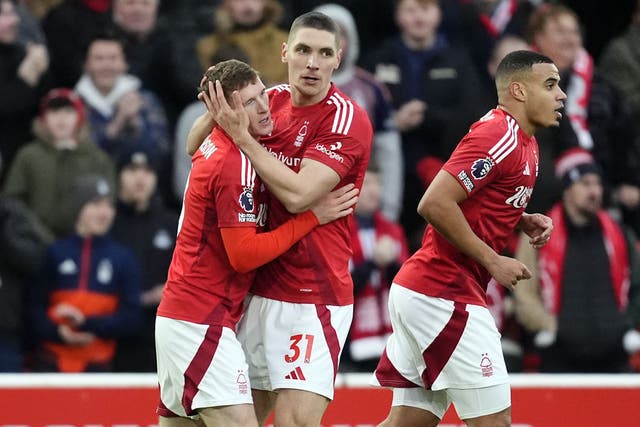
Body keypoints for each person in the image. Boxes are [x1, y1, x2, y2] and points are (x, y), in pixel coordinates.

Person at [156, 59, 360, 427]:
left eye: (262, 93)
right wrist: (313, 217)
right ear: (229, 111)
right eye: (248, 103)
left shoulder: (214, 144)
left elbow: (191, 144)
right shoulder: (236, 164)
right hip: (202, 320)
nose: (265, 107)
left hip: (189, 315)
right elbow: (244, 256)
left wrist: (219, 115)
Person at [193, 11, 372, 427]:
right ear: (285, 51)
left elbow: (298, 195)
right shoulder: (265, 100)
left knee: (294, 424)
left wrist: (242, 139)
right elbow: (195, 146)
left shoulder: (346, 118)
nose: (313, 62)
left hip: (312, 296)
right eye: (305, 50)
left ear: (338, 60)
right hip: (254, 291)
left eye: (324, 53)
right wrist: (213, 109)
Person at [371, 50, 563, 427]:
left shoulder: (527, 143)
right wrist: (493, 260)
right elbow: (434, 203)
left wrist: (517, 217)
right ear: (519, 91)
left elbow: (475, 197)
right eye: (551, 85)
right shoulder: (499, 135)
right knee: (494, 422)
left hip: (428, 291)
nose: (562, 96)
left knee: (409, 422)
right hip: (443, 294)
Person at [363, 0, 486, 244]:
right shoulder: (378, 59)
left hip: (443, 169)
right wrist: (392, 122)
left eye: (425, 10)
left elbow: (474, 115)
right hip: (385, 171)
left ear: (439, 14)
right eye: (410, 10)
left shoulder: (459, 61)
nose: (418, 18)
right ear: (398, 16)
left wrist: (429, 117)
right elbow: (360, 112)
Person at [514, 148, 640, 373]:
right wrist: (551, 326)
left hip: (615, 359)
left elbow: (638, 288)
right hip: (559, 358)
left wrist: (625, 325)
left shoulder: (620, 234)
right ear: (566, 190)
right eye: (585, 183)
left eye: (597, 184)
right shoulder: (538, 234)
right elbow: (524, 294)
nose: (595, 192)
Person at [28, 174, 142, 372]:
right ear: (78, 208)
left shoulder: (123, 257)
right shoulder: (55, 252)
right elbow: (32, 309)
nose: (104, 213)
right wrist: (58, 331)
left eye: (109, 206)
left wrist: (87, 324)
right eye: (96, 204)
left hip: (99, 368)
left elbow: (132, 317)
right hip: (50, 365)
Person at [314, 3, 404, 222]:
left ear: (350, 39)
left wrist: (388, 208)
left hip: (362, 201)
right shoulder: (293, 88)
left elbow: (388, 152)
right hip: (309, 199)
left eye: (340, 34)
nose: (332, 42)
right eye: (325, 34)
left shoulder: (371, 88)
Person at [3, 88, 116, 238]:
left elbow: (108, 200)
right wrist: (38, 236)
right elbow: (13, 202)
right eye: (54, 112)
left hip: (84, 244)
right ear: (43, 119)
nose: (61, 118)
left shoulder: (97, 158)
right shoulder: (28, 155)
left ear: (80, 117)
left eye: (68, 111)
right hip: (35, 245)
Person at [110, 147, 178, 373]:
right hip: (115, 333)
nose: (140, 178)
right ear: (119, 175)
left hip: (162, 333)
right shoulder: (107, 222)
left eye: (148, 171)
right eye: (132, 170)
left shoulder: (171, 223)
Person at [344, 167, 409, 373]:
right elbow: (340, 288)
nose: (374, 191)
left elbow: (406, 287)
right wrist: (373, 262)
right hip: (351, 343)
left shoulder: (393, 230)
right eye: (367, 184)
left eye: (378, 184)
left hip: (391, 340)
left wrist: (389, 264)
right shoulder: (341, 231)